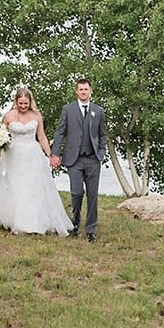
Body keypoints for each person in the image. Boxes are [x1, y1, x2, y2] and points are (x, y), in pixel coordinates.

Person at [0, 86, 74, 235]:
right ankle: (15, 219)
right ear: (16, 101)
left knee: (33, 186)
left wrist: (50, 154)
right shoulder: (8, 116)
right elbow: (1, 134)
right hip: (14, 155)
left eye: (26, 103)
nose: (23, 106)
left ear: (30, 102)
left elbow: (42, 137)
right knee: (16, 185)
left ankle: (35, 220)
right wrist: (0, 142)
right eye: (21, 103)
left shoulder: (37, 115)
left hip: (33, 154)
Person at [49, 78, 106, 242]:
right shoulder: (68, 110)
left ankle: (90, 230)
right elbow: (60, 133)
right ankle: (75, 223)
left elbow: (103, 135)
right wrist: (55, 154)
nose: (83, 92)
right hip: (74, 159)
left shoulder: (98, 111)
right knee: (76, 193)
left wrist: (100, 153)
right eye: (80, 89)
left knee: (93, 195)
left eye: (86, 89)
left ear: (91, 91)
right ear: (76, 91)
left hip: (93, 159)